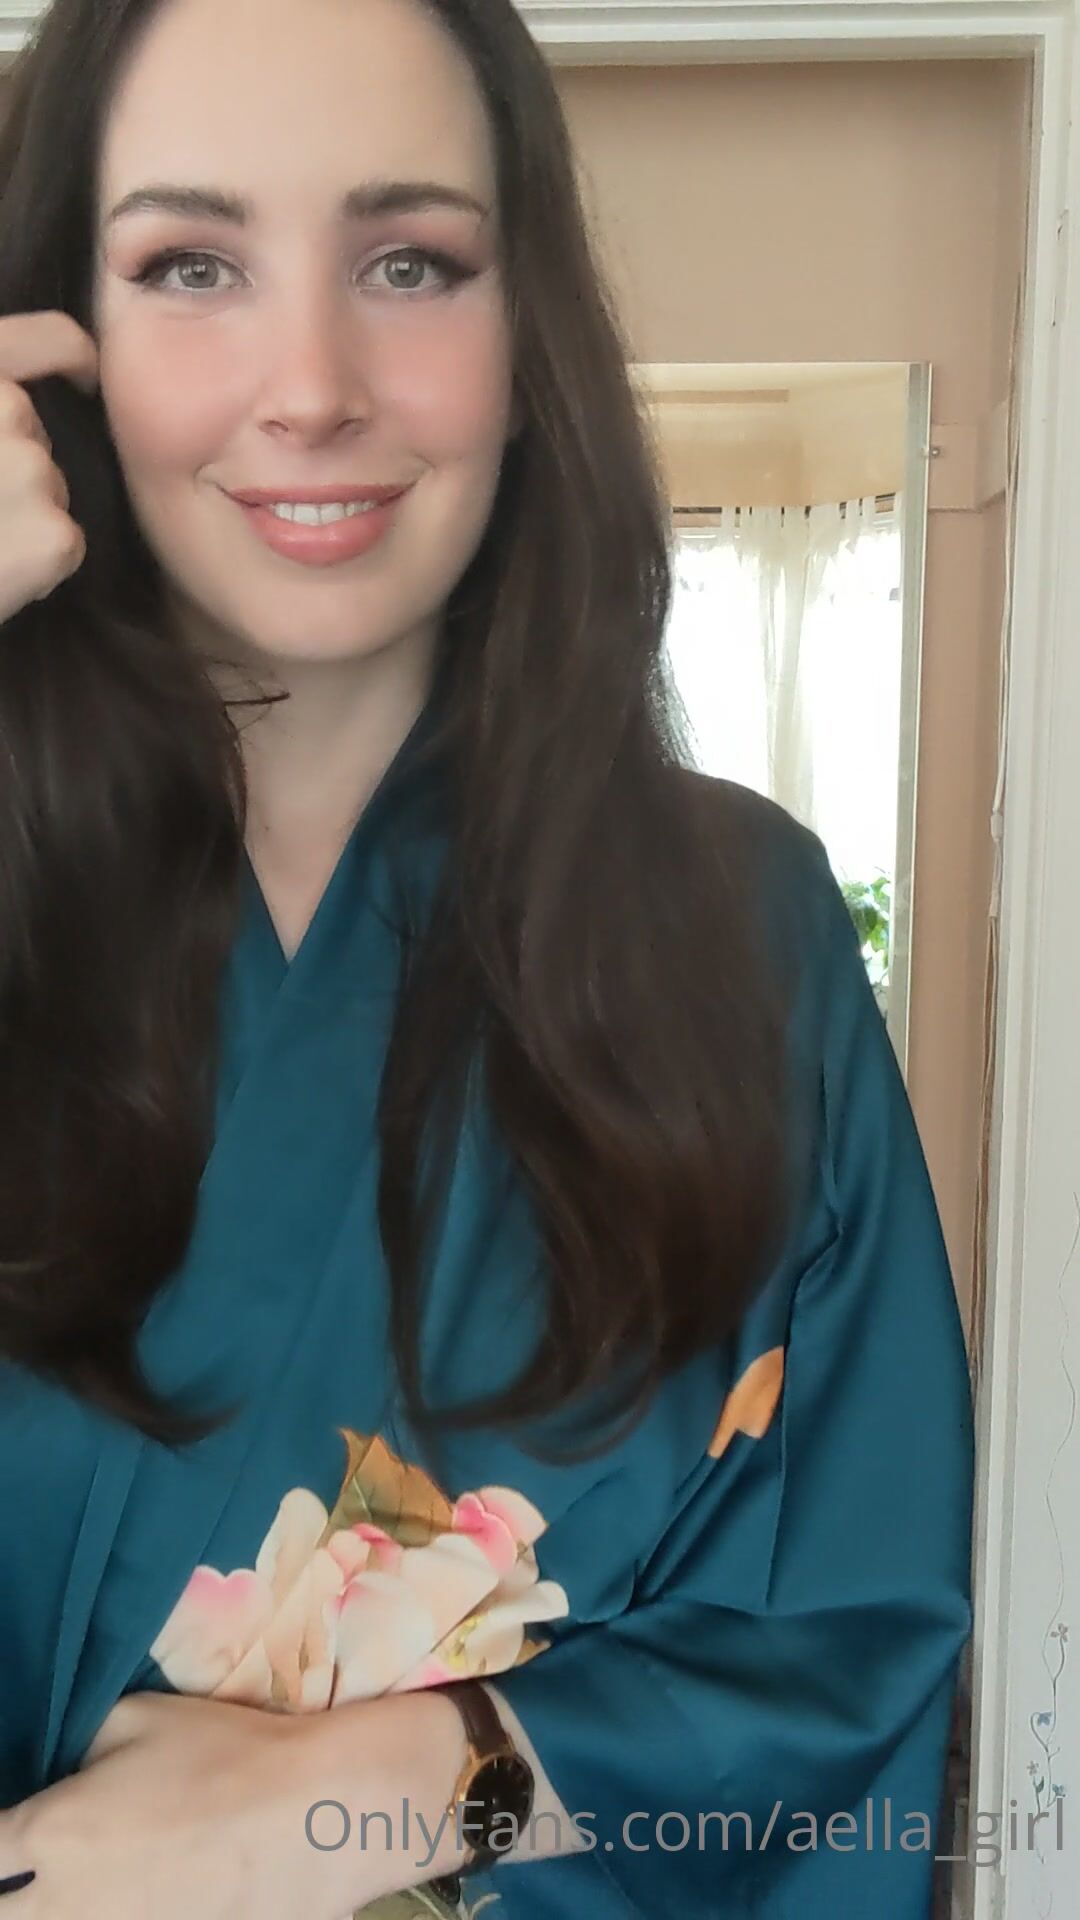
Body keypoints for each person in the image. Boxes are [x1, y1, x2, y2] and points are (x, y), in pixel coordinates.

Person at [0, 0, 974, 1914]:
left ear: (528, 343)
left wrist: (394, 1785)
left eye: (409, 263)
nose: (312, 387)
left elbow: (847, 1653)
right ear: (57, 344)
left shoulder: (742, 937)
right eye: (191, 265)